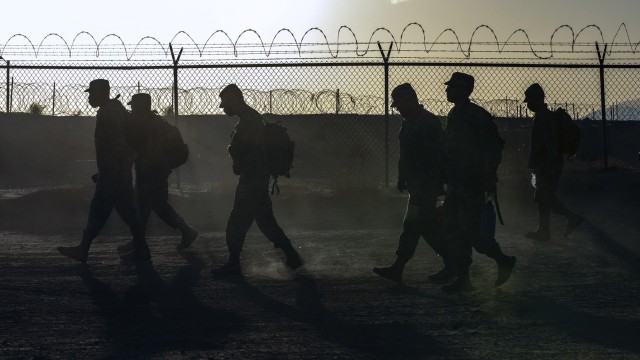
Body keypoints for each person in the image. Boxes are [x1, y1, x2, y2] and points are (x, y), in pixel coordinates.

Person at [210, 84, 302, 275]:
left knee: (236, 222)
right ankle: (292, 256)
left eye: (225, 102)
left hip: (252, 178)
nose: (223, 106)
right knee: (266, 221)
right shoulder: (250, 118)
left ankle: (233, 264)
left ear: (234, 99)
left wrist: (234, 152)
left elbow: (246, 150)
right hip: (257, 178)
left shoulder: (248, 121)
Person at [57, 79, 150, 263]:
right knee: (129, 212)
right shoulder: (114, 109)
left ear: (101, 93)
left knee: (99, 210)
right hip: (116, 172)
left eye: (92, 93)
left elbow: (118, 144)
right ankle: (143, 250)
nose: (90, 97)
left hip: (113, 175)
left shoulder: (109, 113)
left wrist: (112, 172)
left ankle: (83, 249)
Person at [441, 72, 516, 293]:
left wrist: (488, 177)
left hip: (471, 183)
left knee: (472, 233)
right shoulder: (455, 114)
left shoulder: (477, 116)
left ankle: (503, 260)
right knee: (454, 230)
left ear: (463, 90)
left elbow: (492, 149)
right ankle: (464, 279)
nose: (447, 90)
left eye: (452, 87)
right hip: (457, 183)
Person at [372, 83, 451, 284]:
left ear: (410, 100)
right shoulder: (409, 122)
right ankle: (453, 263)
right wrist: (402, 176)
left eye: (399, 104)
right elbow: (406, 155)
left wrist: (434, 184)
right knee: (424, 226)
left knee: (414, 224)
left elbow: (437, 157)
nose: (397, 108)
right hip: (418, 184)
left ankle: (399, 268)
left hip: (426, 185)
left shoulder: (426, 123)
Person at [116, 93, 198, 254]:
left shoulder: (153, 125)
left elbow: (153, 152)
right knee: (142, 206)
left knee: (158, 205)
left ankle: (186, 230)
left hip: (153, 170)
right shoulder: (147, 122)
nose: (132, 108)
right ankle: (138, 240)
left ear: (141, 107)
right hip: (148, 168)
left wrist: (145, 170)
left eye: (134, 105)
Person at [523, 83, 583, 241]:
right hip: (546, 164)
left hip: (548, 164)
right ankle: (544, 230)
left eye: (530, 100)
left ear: (538, 99)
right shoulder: (543, 117)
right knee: (543, 197)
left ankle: (570, 218)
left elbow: (550, 145)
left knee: (544, 197)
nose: (528, 104)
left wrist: (546, 165)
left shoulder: (544, 118)